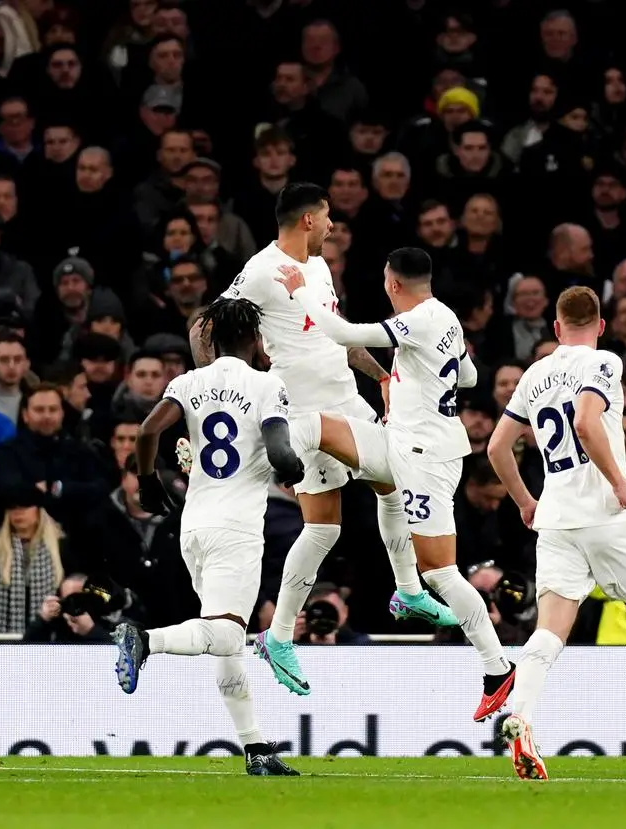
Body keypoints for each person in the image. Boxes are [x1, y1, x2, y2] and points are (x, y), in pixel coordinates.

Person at [196, 183, 457, 698]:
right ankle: (399, 592)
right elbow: (204, 327)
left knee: (342, 516)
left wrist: (381, 375)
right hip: (304, 414)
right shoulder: (261, 270)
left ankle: (290, 631)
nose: (334, 224)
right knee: (377, 486)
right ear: (308, 220)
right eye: (328, 216)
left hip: (344, 402)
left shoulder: (313, 268)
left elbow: (332, 336)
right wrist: (223, 384)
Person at [275, 246, 514, 721]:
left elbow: (342, 332)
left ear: (393, 283)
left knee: (442, 572)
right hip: (404, 443)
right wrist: (410, 380)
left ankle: (497, 667)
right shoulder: (444, 317)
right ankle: (406, 593)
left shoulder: (421, 318)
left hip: (427, 458)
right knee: (310, 426)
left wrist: (301, 293)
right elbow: (466, 375)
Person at [486, 286, 626, 781]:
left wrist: (525, 501)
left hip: (556, 518)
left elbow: (497, 447)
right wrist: (620, 482)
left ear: (556, 328)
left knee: (549, 630)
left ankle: (521, 715)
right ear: (601, 325)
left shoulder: (534, 374)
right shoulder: (603, 362)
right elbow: (584, 420)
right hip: (607, 516)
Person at [114, 297, 303, 777]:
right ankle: (144, 640)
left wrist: (148, 481)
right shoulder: (266, 384)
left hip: (193, 528)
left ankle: (255, 748)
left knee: (227, 642)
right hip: (237, 530)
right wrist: (296, 467)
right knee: (226, 633)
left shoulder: (188, 382)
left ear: (210, 338)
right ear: (255, 339)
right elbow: (280, 452)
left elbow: (146, 432)